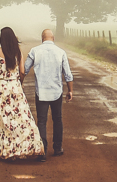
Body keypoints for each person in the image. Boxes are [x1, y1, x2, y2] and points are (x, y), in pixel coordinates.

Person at [0, 27, 46, 161]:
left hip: (1, 88)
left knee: (3, 120)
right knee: (22, 118)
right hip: (15, 86)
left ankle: (5, 150)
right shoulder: (18, 53)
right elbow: (22, 71)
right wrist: (19, 82)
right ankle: (31, 147)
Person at [23, 28, 73, 157]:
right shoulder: (61, 52)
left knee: (41, 121)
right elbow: (68, 74)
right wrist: (70, 90)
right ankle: (57, 148)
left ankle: (42, 150)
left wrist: (19, 83)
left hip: (41, 92)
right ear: (53, 38)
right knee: (57, 119)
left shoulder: (35, 51)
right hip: (56, 91)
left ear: (42, 38)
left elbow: (24, 70)